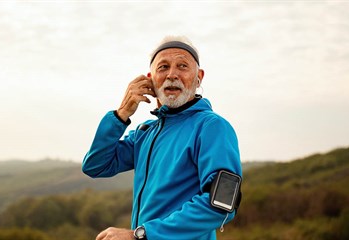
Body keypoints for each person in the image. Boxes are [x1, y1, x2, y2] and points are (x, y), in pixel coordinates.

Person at [82, 36, 242, 240]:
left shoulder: (212, 127)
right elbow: (96, 166)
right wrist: (121, 114)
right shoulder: (145, 133)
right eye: (163, 67)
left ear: (199, 77)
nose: (172, 74)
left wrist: (141, 235)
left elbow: (221, 204)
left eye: (182, 66)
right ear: (151, 79)